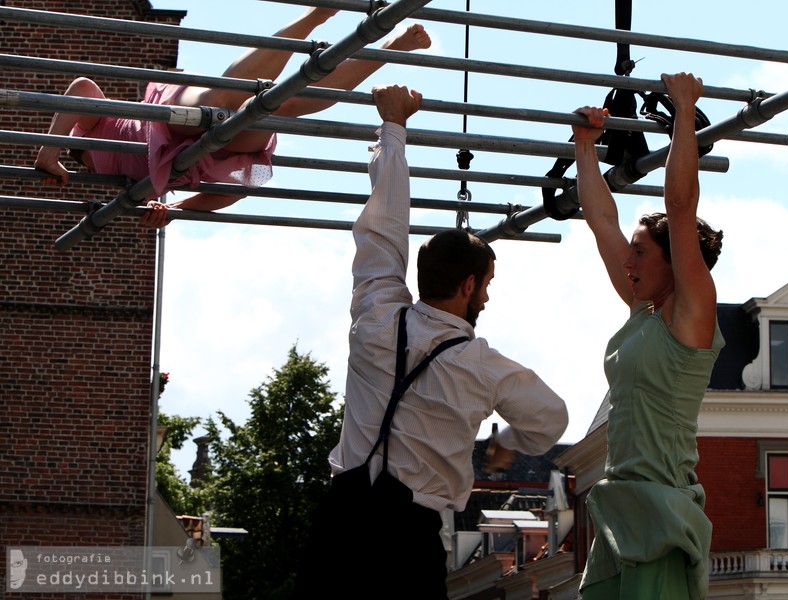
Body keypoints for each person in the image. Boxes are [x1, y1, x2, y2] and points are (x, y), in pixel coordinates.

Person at [299, 84, 568, 599]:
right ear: (469, 285)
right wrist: (503, 443)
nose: (487, 296)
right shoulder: (484, 366)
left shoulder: (376, 317)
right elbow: (550, 418)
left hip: (339, 528)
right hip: (407, 541)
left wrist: (394, 126)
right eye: (486, 284)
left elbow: (383, 226)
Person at [31, 7, 431, 228]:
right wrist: (176, 209)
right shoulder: (128, 193)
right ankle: (388, 46)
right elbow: (233, 193)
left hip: (164, 123)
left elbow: (81, 87)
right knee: (282, 105)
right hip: (199, 160)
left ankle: (316, 15)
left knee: (228, 92)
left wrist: (49, 153)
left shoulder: (92, 130)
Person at [571, 72, 725, 600]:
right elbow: (600, 219)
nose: (628, 258)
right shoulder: (642, 309)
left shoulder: (691, 314)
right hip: (620, 510)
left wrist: (684, 108)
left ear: (676, 263)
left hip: (660, 515)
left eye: (641, 251)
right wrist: (584, 147)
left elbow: (681, 207)